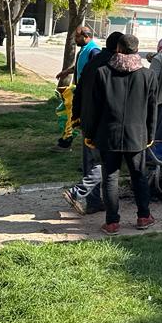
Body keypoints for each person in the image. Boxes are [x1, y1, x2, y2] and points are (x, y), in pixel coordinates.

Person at [81, 34, 157, 235]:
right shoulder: (148, 76)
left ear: (117, 49)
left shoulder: (102, 72)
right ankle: (143, 217)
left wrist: (89, 133)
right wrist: (151, 133)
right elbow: (152, 109)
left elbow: (93, 108)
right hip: (137, 136)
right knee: (139, 176)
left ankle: (112, 222)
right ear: (136, 50)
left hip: (108, 135)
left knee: (111, 178)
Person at [62, 31, 123, 215]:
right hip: (104, 123)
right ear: (119, 48)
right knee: (107, 162)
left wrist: (76, 117)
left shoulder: (93, 61)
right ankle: (78, 192)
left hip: (87, 120)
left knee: (91, 161)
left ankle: (94, 202)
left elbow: (79, 90)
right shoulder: (112, 64)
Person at [52, 26, 101, 151]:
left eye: (77, 37)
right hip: (80, 90)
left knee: (75, 116)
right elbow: (81, 65)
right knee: (71, 115)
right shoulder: (85, 49)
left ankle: (68, 142)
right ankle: (66, 140)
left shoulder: (94, 51)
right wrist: (67, 71)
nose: (75, 40)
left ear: (86, 37)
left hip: (87, 93)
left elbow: (96, 71)